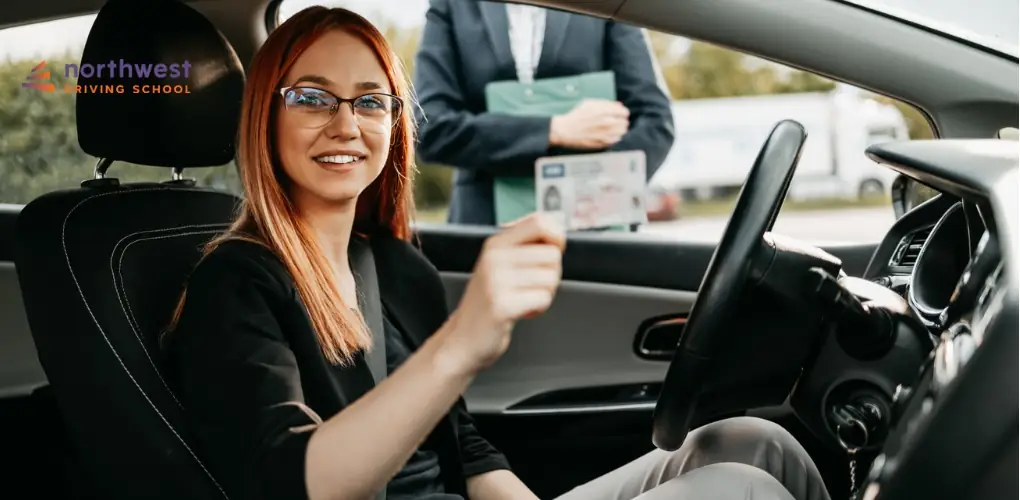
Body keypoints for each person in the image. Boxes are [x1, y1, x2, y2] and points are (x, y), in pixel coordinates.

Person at [165, 6, 830, 500]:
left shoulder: (397, 268)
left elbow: (466, 449)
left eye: (371, 101)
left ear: (394, 124)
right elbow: (291, 482)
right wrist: (459, 345)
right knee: (741, 492)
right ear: (264, 113)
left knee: (752, 443)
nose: (346, 124)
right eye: (311, 98)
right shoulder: (235, 283)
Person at [413, 0, 675, 226]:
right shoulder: (452, 4)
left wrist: (594, 189)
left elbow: (655, 121)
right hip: (483, 228)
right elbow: (429, 127)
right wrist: (554, 130)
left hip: (595, 225)